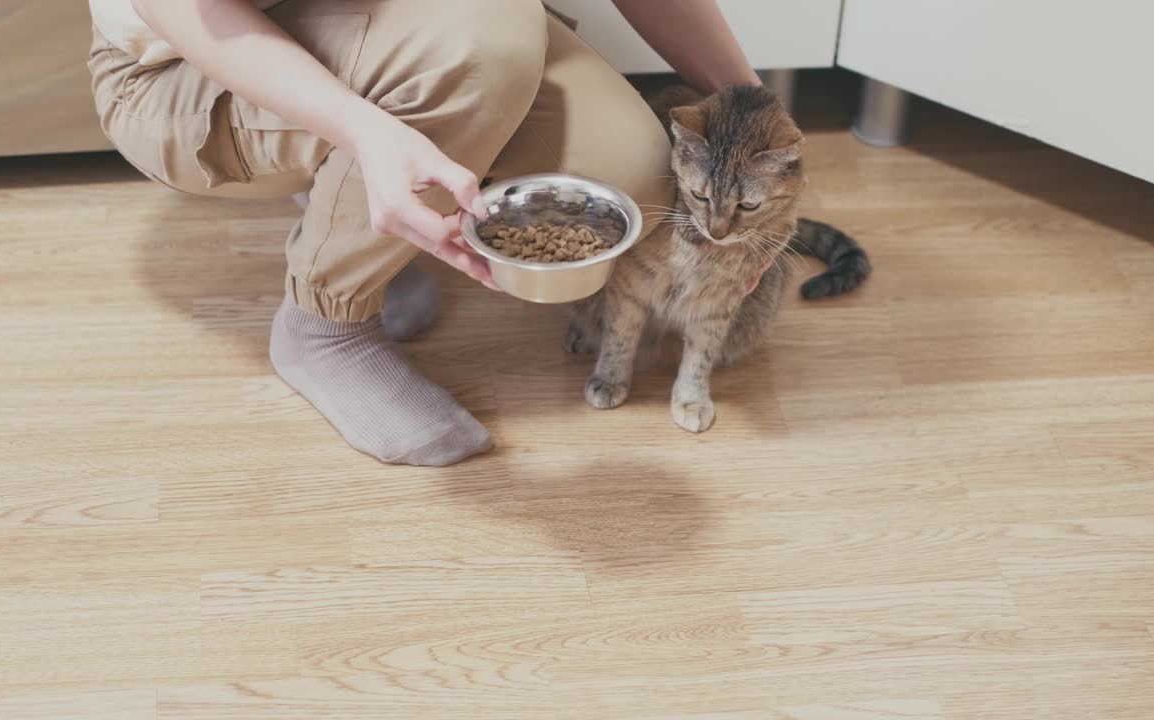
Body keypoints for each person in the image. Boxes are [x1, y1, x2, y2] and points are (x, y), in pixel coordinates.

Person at [87, 0, 763, 466]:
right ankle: (324, 325)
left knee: (632, 173)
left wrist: (756, 113)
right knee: (475, 51)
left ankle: (348, 196)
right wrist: (364, 130)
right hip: (184, 59)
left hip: (394, 19)